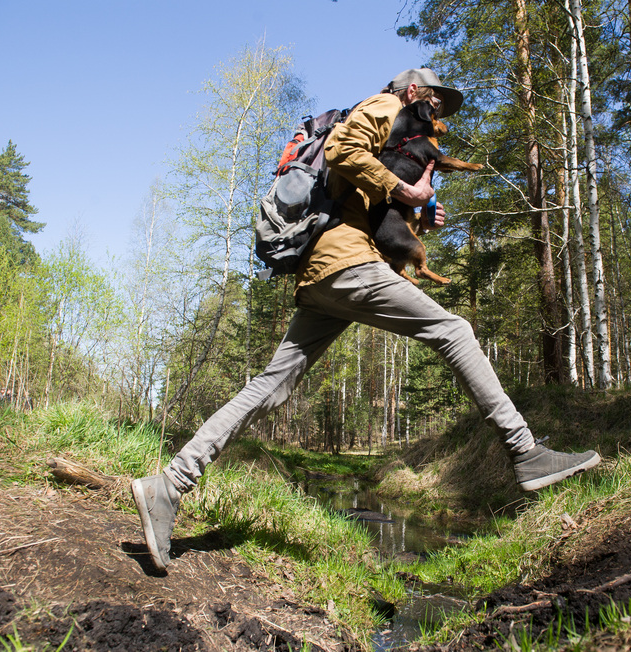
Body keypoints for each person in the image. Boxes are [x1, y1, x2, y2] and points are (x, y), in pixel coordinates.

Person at [132, 68, 601, 571]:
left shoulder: (394, 132)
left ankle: (170, 485)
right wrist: (405, 190)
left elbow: (367, 203)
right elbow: (342, 151)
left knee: (271, 386)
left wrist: (419, 215)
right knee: (453, 330)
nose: (437, 112)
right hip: (347, 265)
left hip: (322, 273)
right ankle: (524, 452)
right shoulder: (384, 105)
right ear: (413, 90)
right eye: (435, 101)